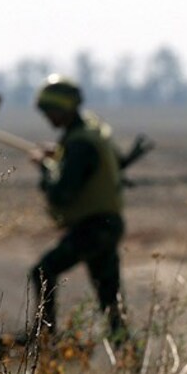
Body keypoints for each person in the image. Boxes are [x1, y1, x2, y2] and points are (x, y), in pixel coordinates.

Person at [29, 73, 128, 345]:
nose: (48, 118)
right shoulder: (90, 131)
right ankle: (128, 359)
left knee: (43, 271)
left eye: (50, 111)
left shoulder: (79, 143)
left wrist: (44, 168)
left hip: (92, 227)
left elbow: (62, 194)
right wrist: (60, 154)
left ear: (64, 109)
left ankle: (46, 341)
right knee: (110, 299)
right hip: (107, 225)